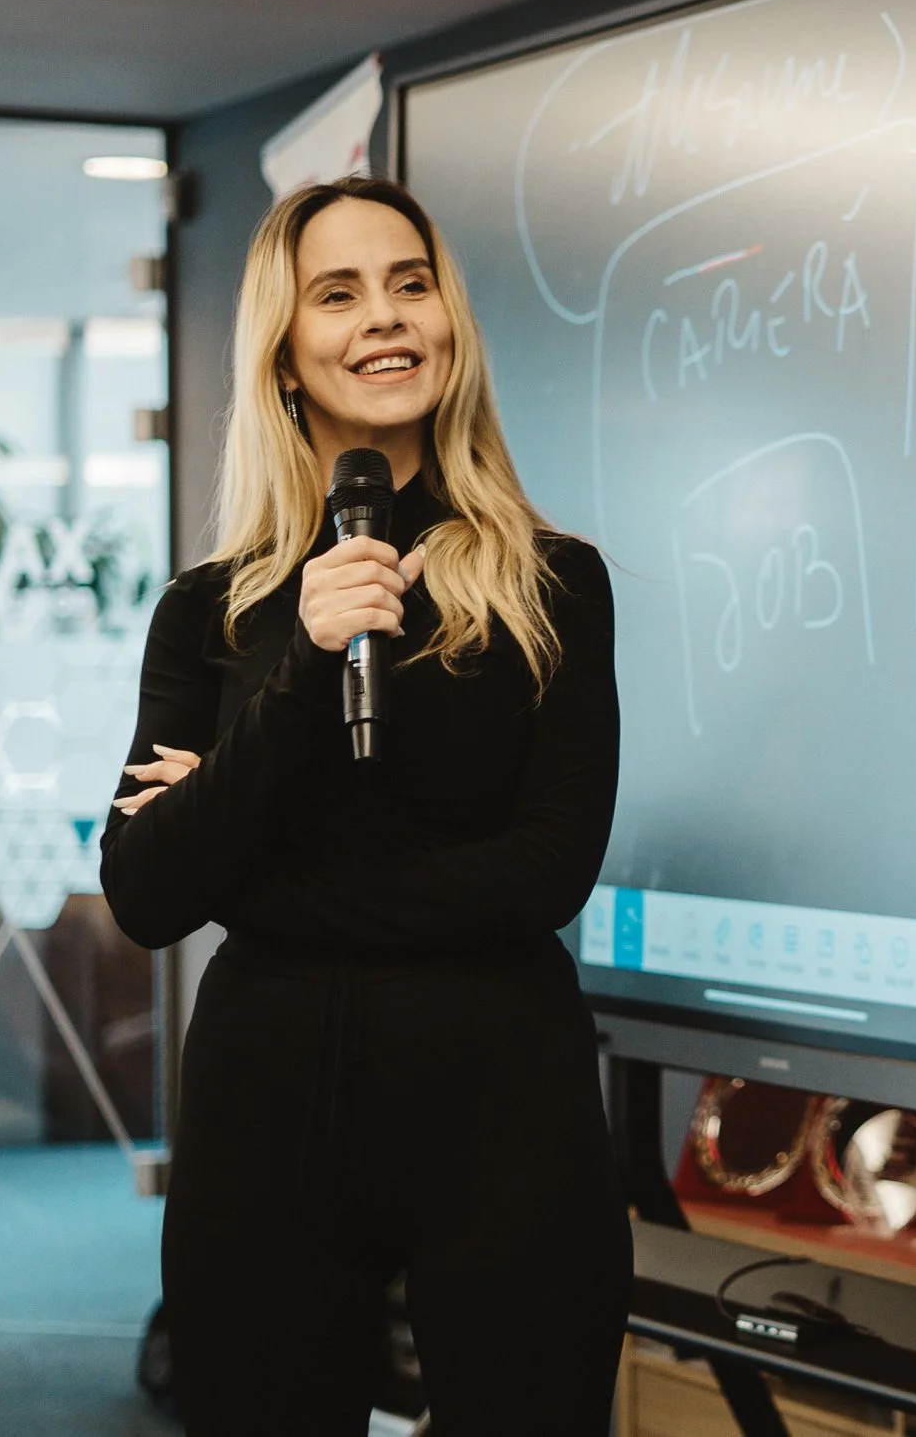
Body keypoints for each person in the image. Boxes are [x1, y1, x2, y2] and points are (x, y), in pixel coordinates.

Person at [100, 177, 628, 1434]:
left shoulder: (554, 584)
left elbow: (545, 874)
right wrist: (297, 668)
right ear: (286, 354)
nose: (387, 318)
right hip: (267, 1112)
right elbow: (146, 891)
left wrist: (256, 867)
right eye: (338, 293)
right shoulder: (210, 610)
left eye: (411, 281)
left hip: (504, 1108)